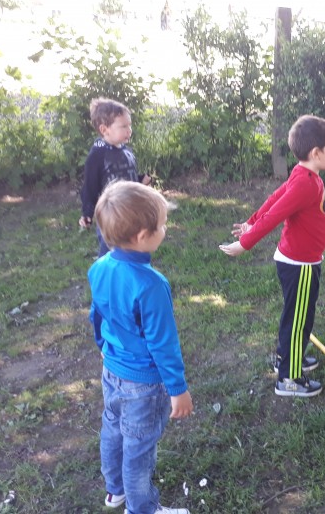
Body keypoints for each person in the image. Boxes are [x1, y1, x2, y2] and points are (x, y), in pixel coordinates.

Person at [88, 180, 192, 514]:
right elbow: (163, 344)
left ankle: (115, 490)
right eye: (162, 225)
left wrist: (102, 344)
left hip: (111, 370)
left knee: (113, 429)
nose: (165, 229)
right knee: (139, 450)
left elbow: (96, 313)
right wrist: (177, 389)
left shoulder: (98, 267)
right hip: (143, 385)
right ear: (143, 236)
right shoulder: (151, 286)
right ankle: (142, 508)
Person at [219, 114, 325, 398]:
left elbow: (275, 199)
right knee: (299, 321)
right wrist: (245, 242)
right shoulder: (306, 183)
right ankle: (289, 379)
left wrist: (251, 222)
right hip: (301, 265)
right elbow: (276, 213)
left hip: (298, 261)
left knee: (295, 317)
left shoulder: (304, 175)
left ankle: (287, 358)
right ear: (316, 153)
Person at [79, 98, 151, 257]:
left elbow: (126, 179)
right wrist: (87, 213)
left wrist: (141, 181)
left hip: (130, 211)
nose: (129, 130)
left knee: (133, 248)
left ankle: (130, 272)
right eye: (123, 126)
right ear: (104, 129)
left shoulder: (127, 151)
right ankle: (106, 272)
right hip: (110, 215)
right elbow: (90, 186)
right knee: (111, 253)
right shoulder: (98, 155)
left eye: (129, 125)